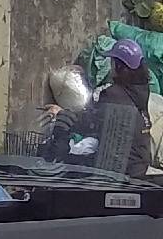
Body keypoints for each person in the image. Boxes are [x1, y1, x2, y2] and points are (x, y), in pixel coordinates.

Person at [43, 39, 153, 178]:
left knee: (61, 162)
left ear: (120, 67)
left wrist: (62, 114)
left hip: (116, 171)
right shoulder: (140, 92)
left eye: (113, 62)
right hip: (137, 169)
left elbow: (89, 122)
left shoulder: (114, 96)